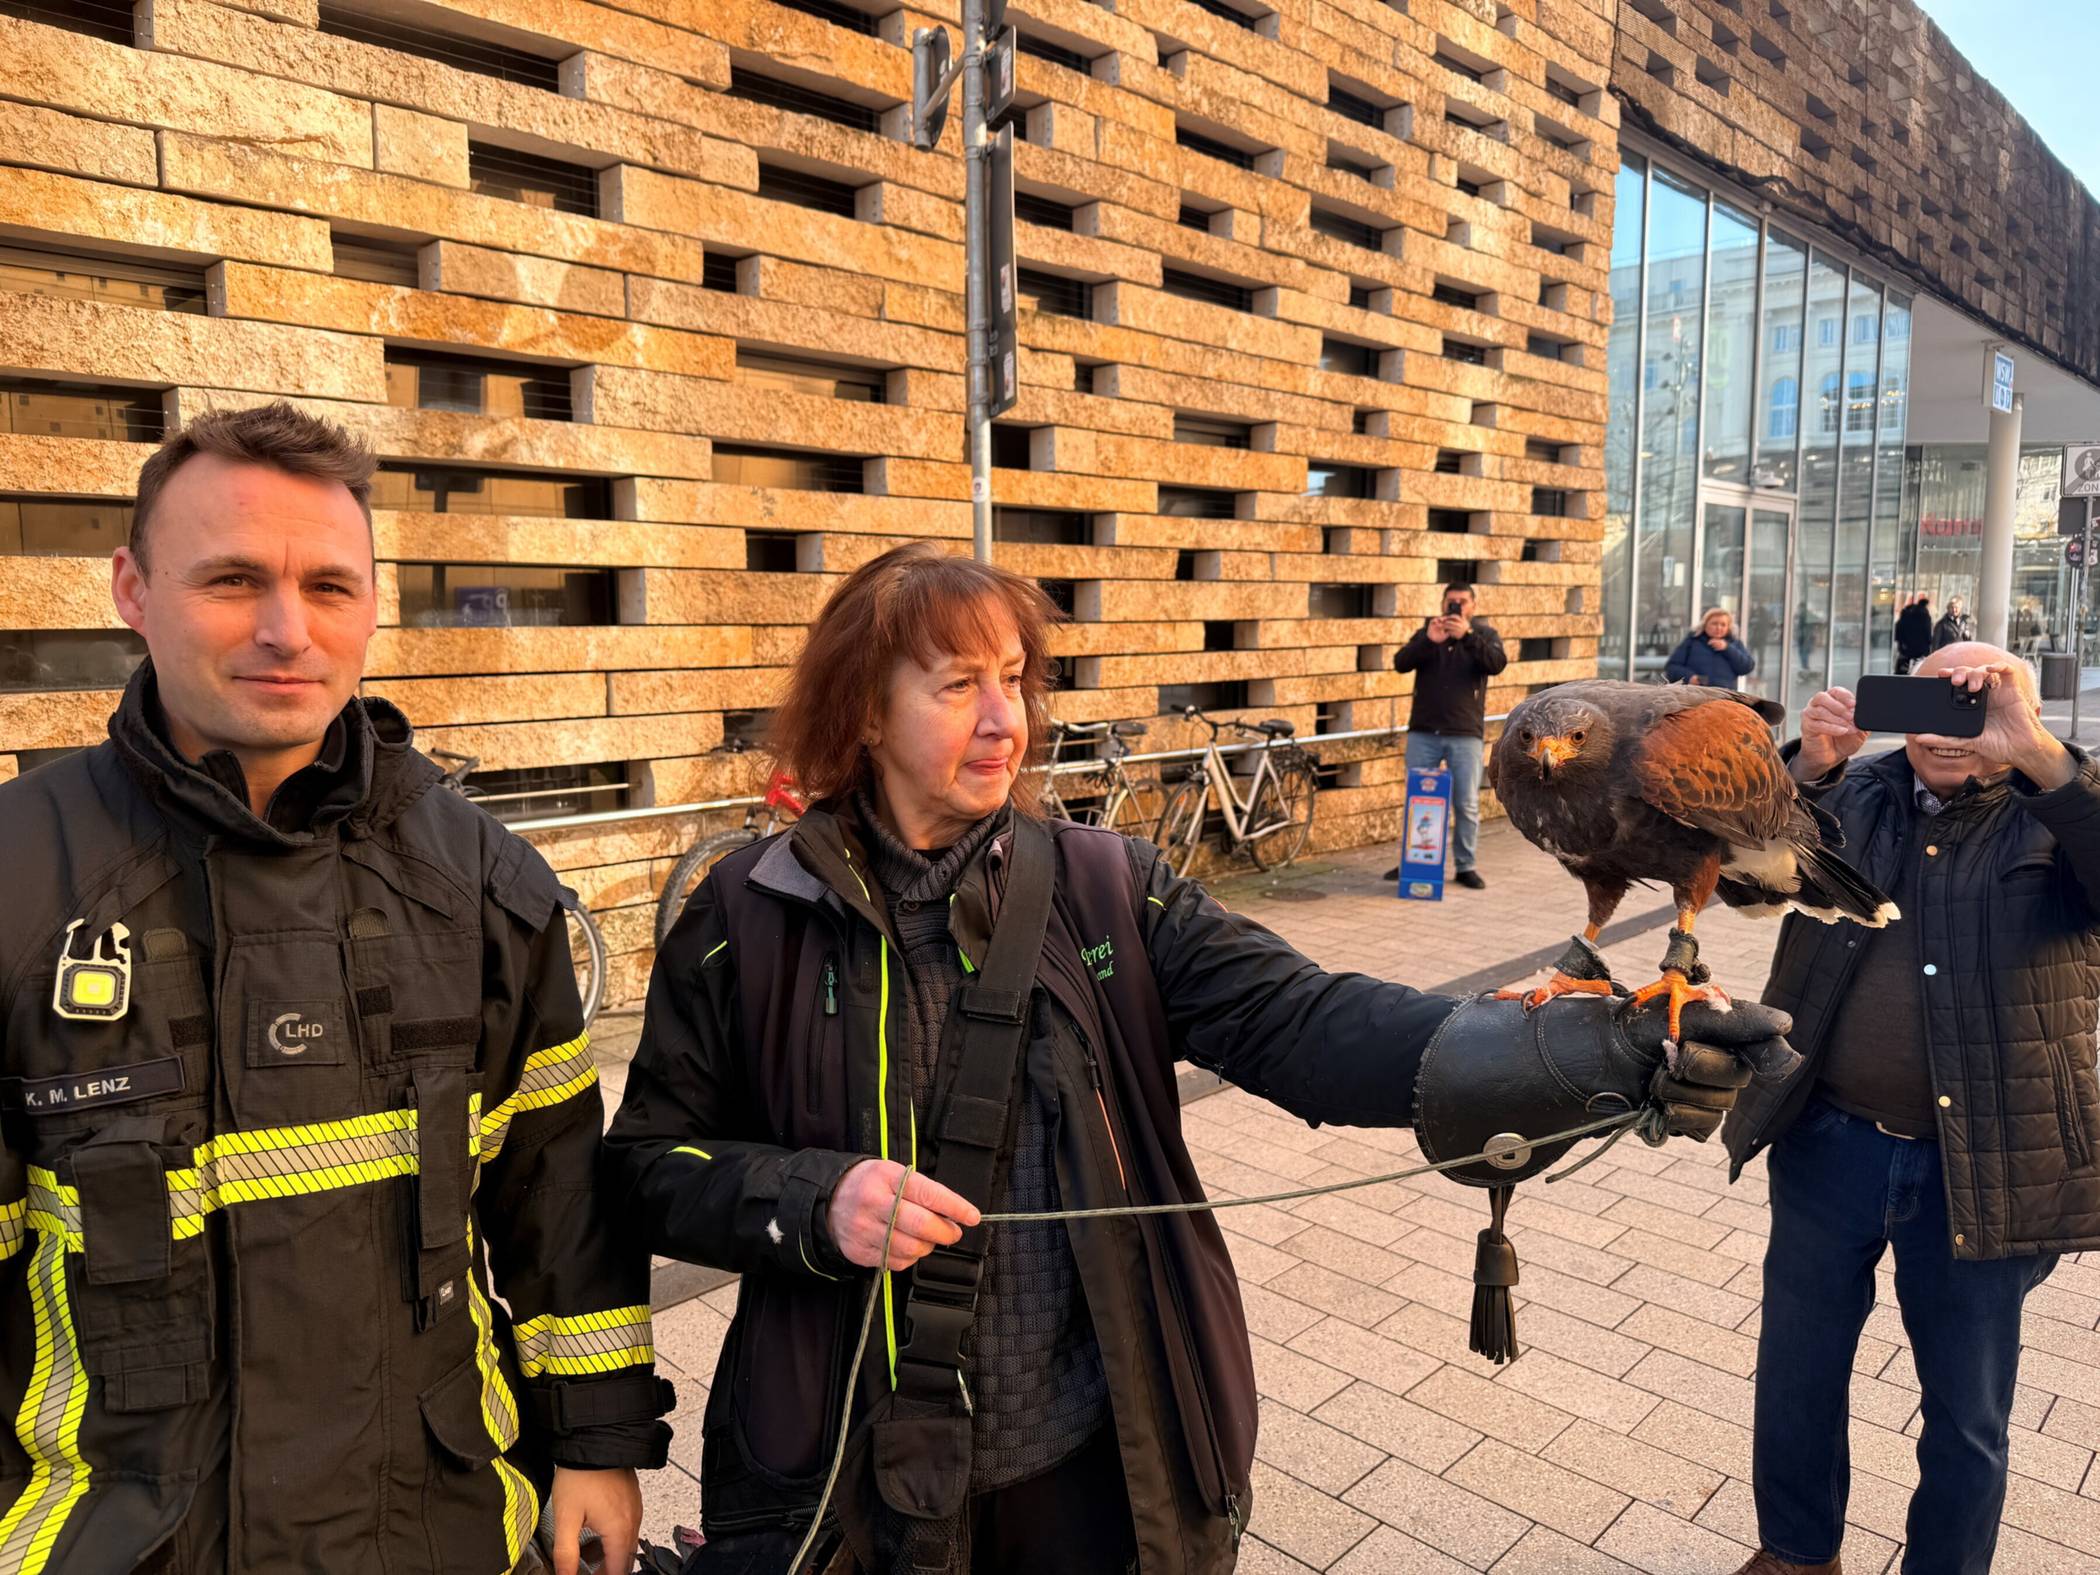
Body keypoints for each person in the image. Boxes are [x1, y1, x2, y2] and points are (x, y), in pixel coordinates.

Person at [606, 544, 1790, 1575]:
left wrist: (1599, 1045)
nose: (1004, 718)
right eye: (957, 684)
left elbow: (1307, 1024)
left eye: (1013, 678)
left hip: (1089, 1459)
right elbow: (650, 1165)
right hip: (836, 1470)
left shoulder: (1104, 888)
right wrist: (812, 1200)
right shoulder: (744, 916)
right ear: (865, 712)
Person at [0, 405, 670, 1574]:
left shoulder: (481, 886)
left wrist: (598, 1449)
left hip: (437, 1530)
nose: (283, 630)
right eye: (231, 580)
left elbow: (556, 1207)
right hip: (117, 1541)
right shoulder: (16, 881)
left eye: (328, 587)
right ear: (130, 588)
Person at [1721, 643, 2100, 1575]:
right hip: (1828, 1141)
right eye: (1926, 699)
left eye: (1973, 706)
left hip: (1984, 1162)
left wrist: (2041, 755)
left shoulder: (2058, 806)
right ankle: (1797, 1555)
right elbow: (1736, 878)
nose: (1943, 728)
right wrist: (1805, 765)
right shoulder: (1854, 792)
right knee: (1797, 1374)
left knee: (1966, 1414)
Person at [1384, 581, 1506, 888]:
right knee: (1419, 800)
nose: (1456, 607)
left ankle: (1465, 866)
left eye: (1462, 602)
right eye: (1451, 601)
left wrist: (1467, 636)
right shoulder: (1429, 631)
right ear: (1442, 603)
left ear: (1472, 607)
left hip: (1465, 733)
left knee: (1465, 802)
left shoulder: (1484, 636)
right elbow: (1400, 663)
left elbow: (1496, 664)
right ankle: (1413, 862)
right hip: (1424, 731)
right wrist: (1428, 640)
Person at [1664, 607, 1755, 688]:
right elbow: (1672, 667)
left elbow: (1747, 667)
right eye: (1714, 623)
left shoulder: (1735, 643)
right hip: (1694, 694)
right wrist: (1689, 677)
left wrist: (1727, 648)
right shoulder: (1692, 641)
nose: (1718, 628)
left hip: (1725, 697)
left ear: (1728, 627)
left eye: (1723, 624)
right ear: (1705, 625)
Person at [1894, 594, 1933, 674]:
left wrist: (1901, 642)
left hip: (1906, 648)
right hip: (1920, 649)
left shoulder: (1907, 614)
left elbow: (1898, 630)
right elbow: (1927, 633)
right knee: (1917, 669)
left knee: (1903, 669)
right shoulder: (1925, 616)